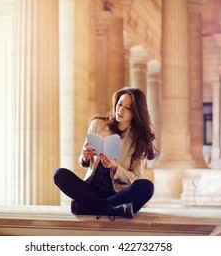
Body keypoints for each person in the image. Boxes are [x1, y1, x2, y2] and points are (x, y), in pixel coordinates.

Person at [53, 87, 158, 220]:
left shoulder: (140, 139)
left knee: (146, 187)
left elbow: (135, 178)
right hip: (91, 190)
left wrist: (115, 167)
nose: (120, 110)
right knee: (59, 174)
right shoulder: (97, 124)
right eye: (120, 104)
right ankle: (114, 210)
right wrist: (85, 157)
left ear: (136, 112)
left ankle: (90, 207)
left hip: (117, 193)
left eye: (128, 108)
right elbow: (84, 161)